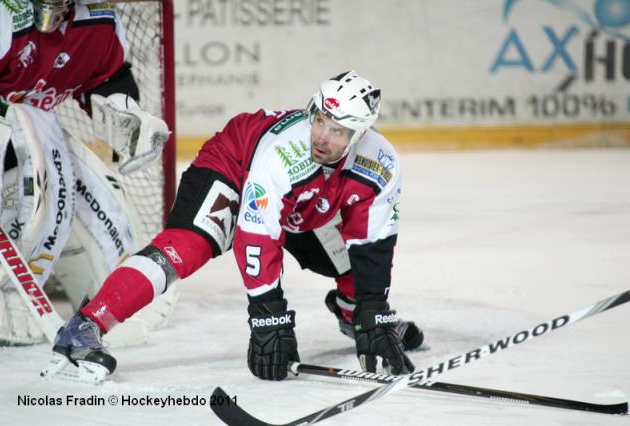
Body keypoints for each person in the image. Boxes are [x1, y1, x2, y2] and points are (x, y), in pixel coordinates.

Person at [50, 71, 424, 382]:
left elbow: (372, 243)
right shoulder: (287, 151)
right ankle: (84, 328)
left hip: (299, 199)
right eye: (319, 120)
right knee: (188, 247)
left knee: (349, 262)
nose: (321, 136)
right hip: (234, 164)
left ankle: (350, 312)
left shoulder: (381, 165)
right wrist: (268, 314)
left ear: (359, 136)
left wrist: (373, 309)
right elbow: (257, 235)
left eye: (337, 131)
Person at [0, 0, 171, 346]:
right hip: (3, 129)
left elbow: (109, 78)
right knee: (40, 192)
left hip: (38, 130)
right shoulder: (0, 15)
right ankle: (5, 290)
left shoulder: (99, 25)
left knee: (110, 228)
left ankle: (113, 299)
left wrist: (127, 117)